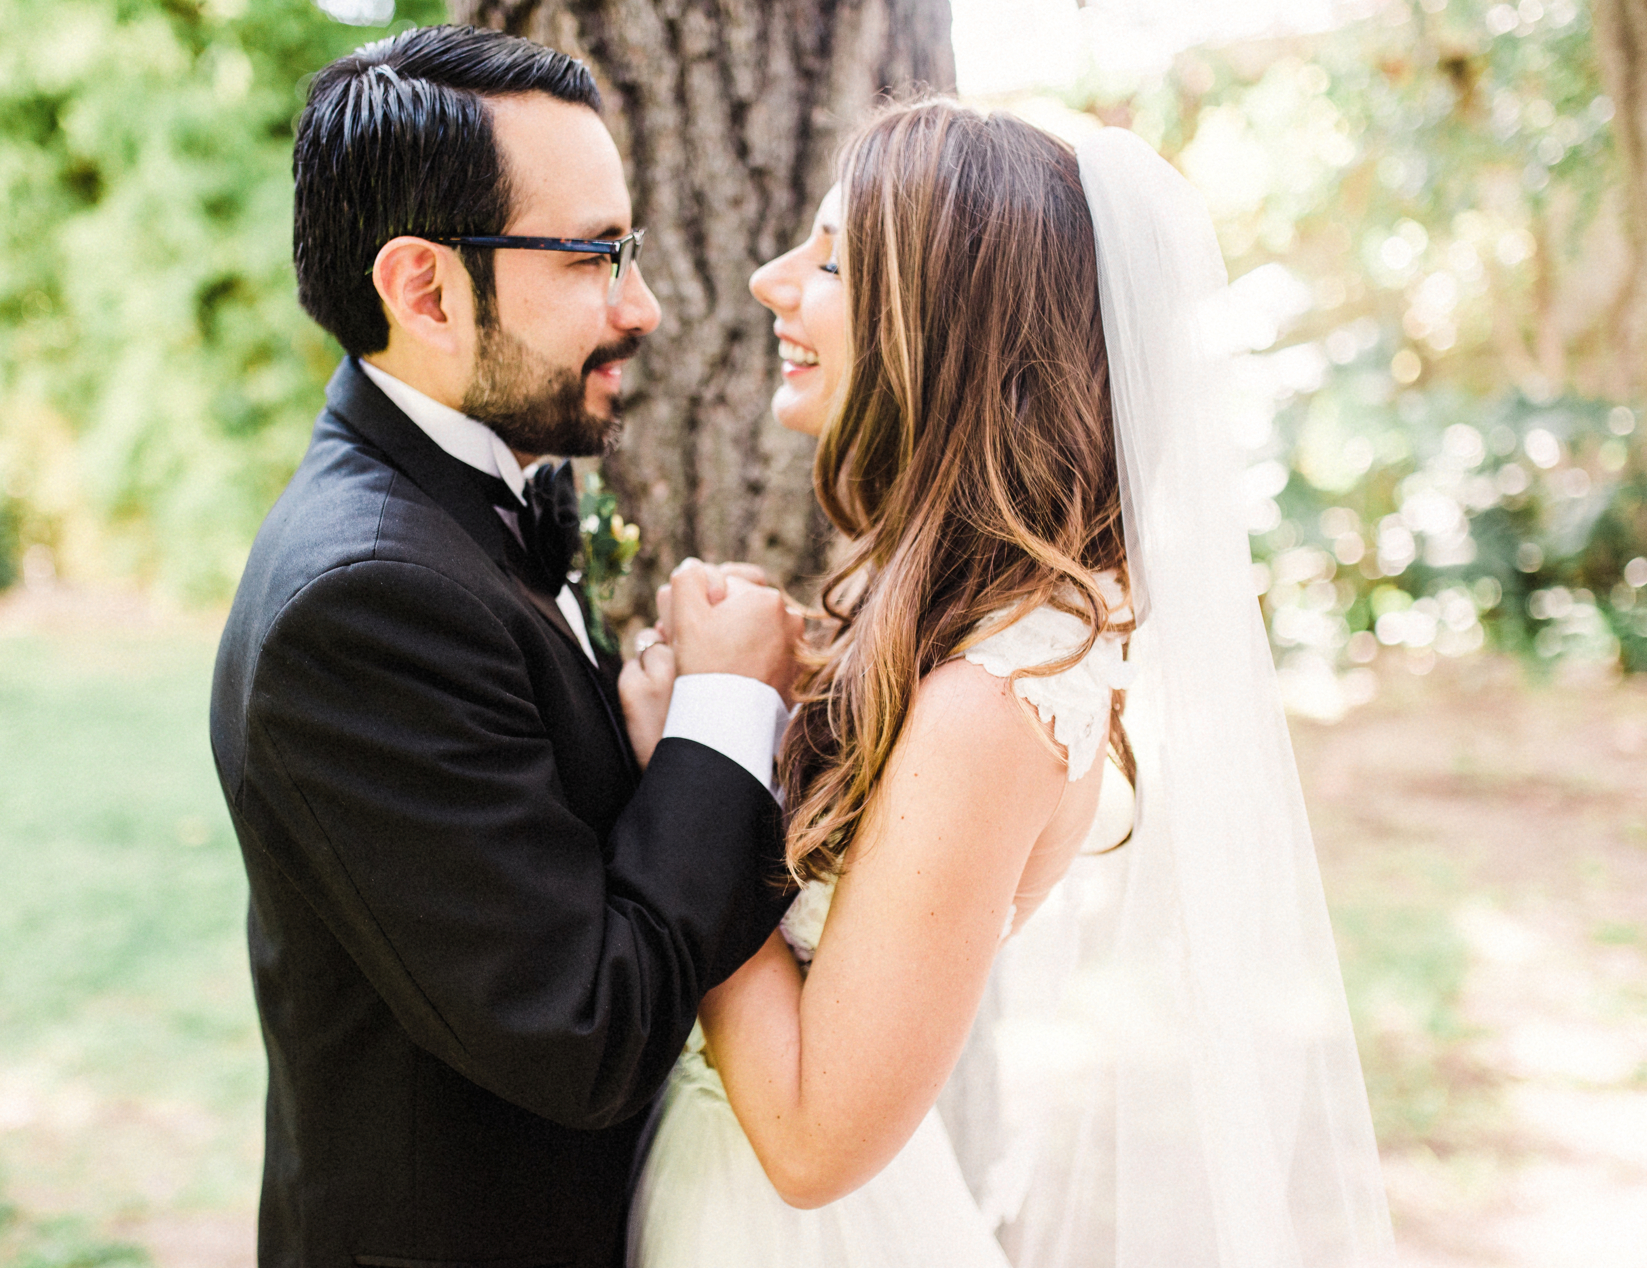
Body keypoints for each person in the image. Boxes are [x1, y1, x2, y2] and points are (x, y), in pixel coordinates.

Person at [625, 100, 1396, 1267]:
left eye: (832, 259)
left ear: (943, 326)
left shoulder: (993, 698)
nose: (770, 281)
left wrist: (702, 756)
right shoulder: (950, 620)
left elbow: (808, 1138)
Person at [209, 26, 803, 1268]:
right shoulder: (363, 603)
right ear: (424, 288)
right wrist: (726, 711)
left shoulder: (459, 512)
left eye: (625, 249)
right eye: (593, 256)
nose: (640, 306)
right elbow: (588, 1028)